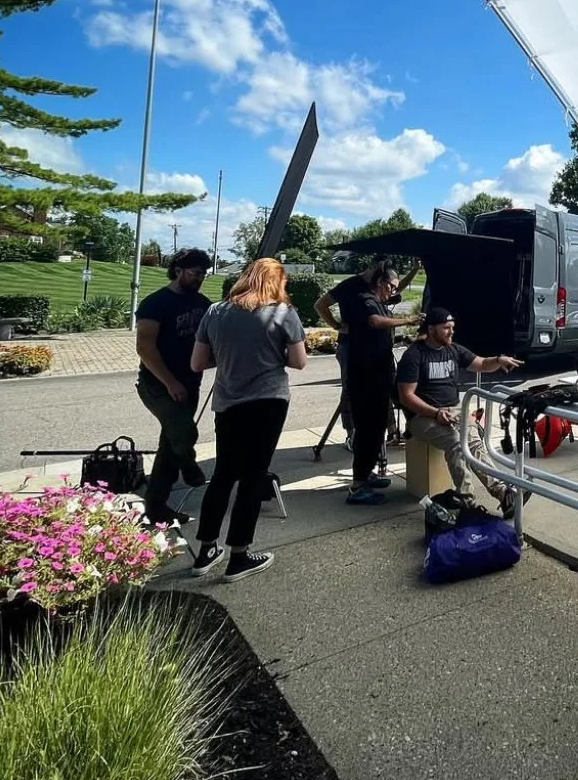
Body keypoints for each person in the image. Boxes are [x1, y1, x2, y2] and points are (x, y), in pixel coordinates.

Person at [187, 258, 307, 582]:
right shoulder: (284, 313)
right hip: (268, 401)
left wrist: (229, 355)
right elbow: (299, 362)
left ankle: (205, 551)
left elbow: (198, 363)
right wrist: (269, 353)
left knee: (224, 474)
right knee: (253, 476)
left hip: (228, 403)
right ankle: (239, 555)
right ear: (276, 282)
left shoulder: (215, 312)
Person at [397, 307, 523, 515]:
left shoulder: (453, 349)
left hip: (454, 409)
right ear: (431, 329)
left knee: (473, 441)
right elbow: (406, 396)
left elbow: (481, 363)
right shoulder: (414, 355)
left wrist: (499, 360)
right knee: (456, 441)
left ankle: (503, 493)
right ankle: (467, 501)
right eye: (446, 328)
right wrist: (435, 413)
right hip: (422, 416)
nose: (451, 332)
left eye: (452, 328)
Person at [134, 247, 213, 525]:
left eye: (203, 274)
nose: (199, 278)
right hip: (157, 385)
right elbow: (144, 346)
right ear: (178, 271)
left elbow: (210, 343)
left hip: (191, 384)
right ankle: (190, 467)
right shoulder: (155, 303)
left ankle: (156, 507)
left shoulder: (202, 304)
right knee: (183, 433)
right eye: (194, 273)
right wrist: (170, 382)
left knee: (170, 446)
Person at [315, 258, 418, 450]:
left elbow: (396, 286)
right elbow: (321, 304)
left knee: (389, 386)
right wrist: (336, 325)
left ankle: (391, 431)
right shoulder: (350, 285)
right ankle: (352, 435)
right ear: (372, 268)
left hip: (378, 347)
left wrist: (414, 270)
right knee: (351, 390)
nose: (391, 292)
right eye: (380, 269)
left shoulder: (381, 287)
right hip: (351, 346)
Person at [338, 264, 405, 504]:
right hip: (364, 377)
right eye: (391, 287)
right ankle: (357, 486)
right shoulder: (364, 300)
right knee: (367, 430)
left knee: (377, 429)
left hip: (379, 375)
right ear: (380, 282)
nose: (393, 292)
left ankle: (366, 475)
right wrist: (407, 320)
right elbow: (375, 322)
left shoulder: (380, 302)